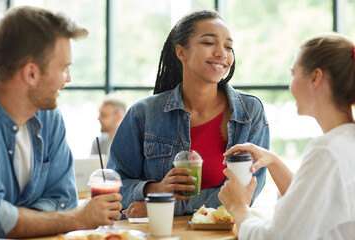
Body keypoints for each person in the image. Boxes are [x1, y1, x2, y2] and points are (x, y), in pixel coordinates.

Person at [107, 10, 269, 219]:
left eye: (228, 47)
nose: (222, 53)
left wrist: (165, 206)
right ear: (182, 52)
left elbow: (246, 193)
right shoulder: (143, 113)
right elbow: (114, 186)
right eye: (209, 43)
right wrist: (156, 190)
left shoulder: (249, 112)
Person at [0, 6, 122, 238]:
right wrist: (76, 218)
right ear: (31, 73)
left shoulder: (49, 118)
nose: (69, 79)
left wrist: (29, 221)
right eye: (64, 68)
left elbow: (64, 197)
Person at [218, 32, 355, 239]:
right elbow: (310, 207)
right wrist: (273, 161)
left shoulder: (327, 152)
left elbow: (278, 237)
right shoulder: (344, 144)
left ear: (315, 77)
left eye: (294, 74)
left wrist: (238, 206)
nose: (291, 85)